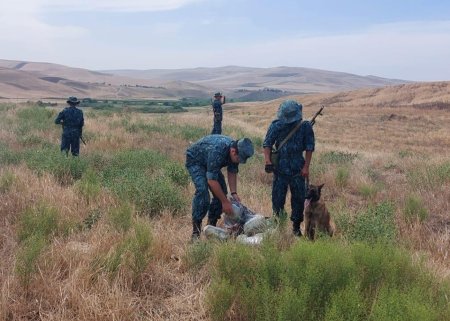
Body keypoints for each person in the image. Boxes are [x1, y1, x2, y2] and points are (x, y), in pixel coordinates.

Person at [185, 135, 254, 240]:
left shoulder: (235, 151)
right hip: (196, 161)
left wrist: (234, 193)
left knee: (221, 193)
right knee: (202, 191)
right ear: (233, 151)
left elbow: (232, 171)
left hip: (210, 164)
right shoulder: (218, 150)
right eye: (239, 159)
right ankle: (196, 231)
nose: (239, 161)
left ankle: (211, 226)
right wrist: (225, 202)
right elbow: (211, 181)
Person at [263, 100, 315, 236]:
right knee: (277, 198)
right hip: (279, 169)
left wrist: (306, 167)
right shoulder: (276, 125)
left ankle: (296, 228)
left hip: (298, 169)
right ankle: (277, 226)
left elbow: (310, 148)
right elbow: (267, 144)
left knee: (298, 199)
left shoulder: (305, 127)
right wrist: (268, 160)